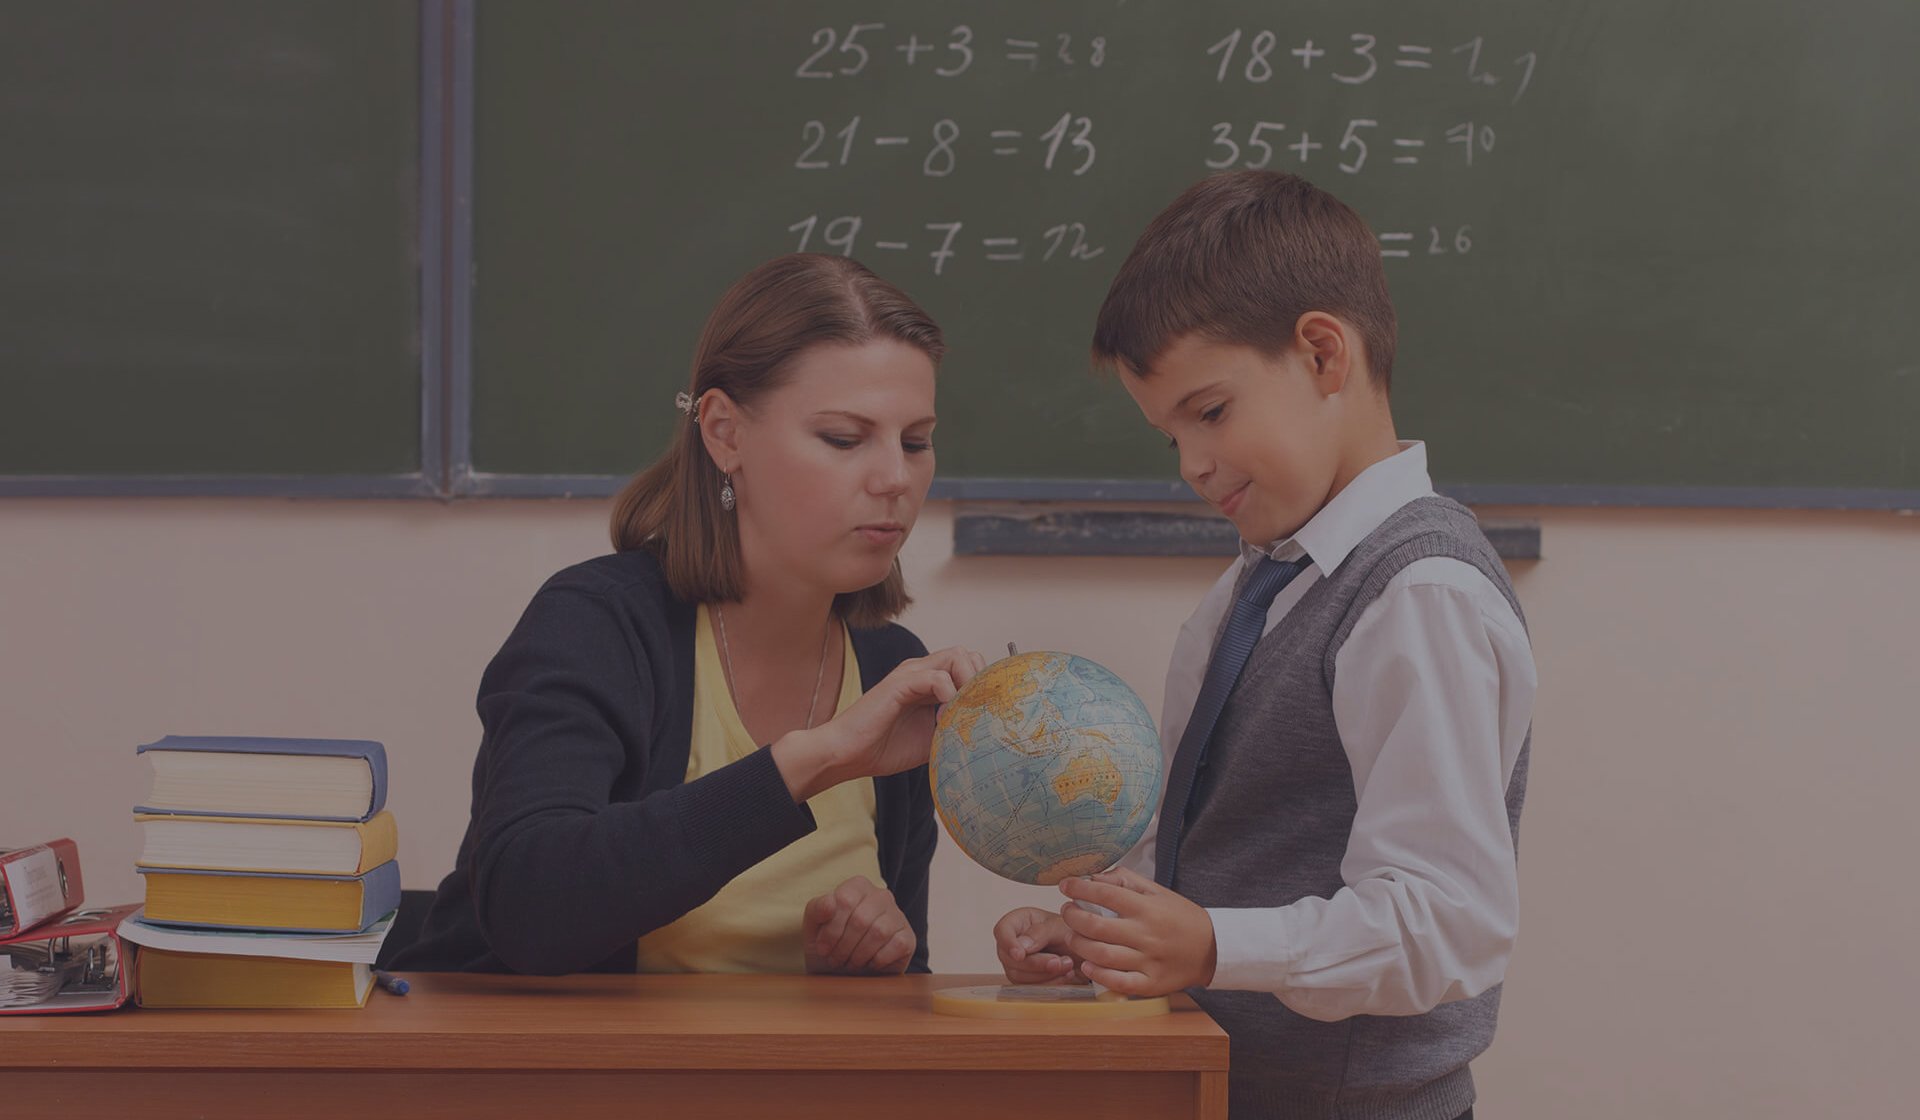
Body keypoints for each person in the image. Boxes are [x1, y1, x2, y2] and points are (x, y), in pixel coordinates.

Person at [993, 171, 1536, 1120]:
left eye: (1210, 413)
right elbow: (1205, 843)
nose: (1194, 466)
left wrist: (1210, 947)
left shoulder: (1420, 594)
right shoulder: (1253, 588)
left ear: (1325, 353)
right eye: (1171, 439)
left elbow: (1447, 923)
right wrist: (1116, 936)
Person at [399, 253, 982, 976]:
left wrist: (872, 962)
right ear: (723, 433)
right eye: (843, 439)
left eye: (916, 441)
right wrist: (815, 759)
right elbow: (527, 906)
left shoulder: (892, 663)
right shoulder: (596, 625)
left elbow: (897, 991)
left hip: (789, 1091)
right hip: (586, 1087)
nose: (896, 477)